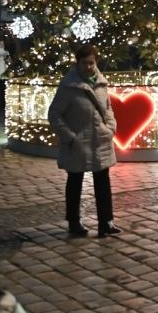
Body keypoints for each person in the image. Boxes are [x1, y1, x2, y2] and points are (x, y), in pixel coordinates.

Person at [48, 43, 121, 238]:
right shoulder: (69, 86)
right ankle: (74, 222)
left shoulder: (101, 83)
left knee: (103, 182)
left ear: (96, 62)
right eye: (84, 63)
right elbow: (54, 114)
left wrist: (110, 128)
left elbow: (108, 108)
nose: (88, 67)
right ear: (77, 63)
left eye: (91, 63)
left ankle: (106, 222)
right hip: (78, 143)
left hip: (100, 139)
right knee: (75, 181)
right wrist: (70, 137)